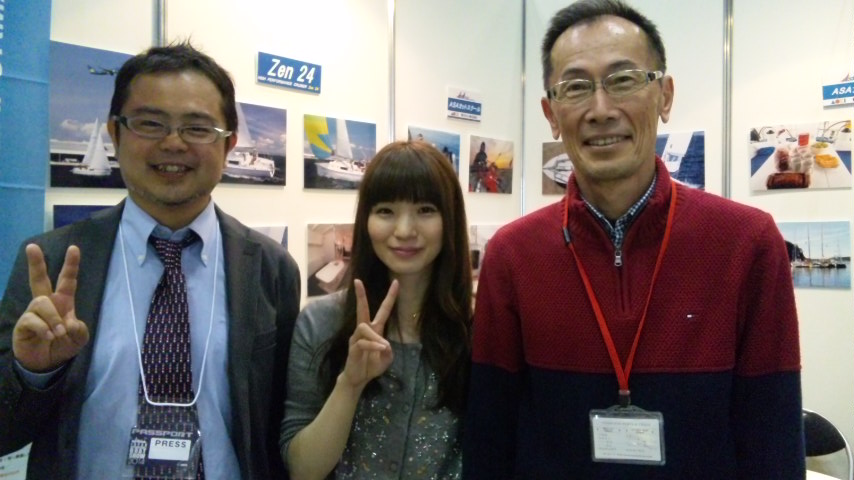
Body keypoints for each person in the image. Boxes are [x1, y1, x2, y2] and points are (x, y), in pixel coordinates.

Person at [463, 1, 804, 478]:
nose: (601, 110)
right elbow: (489, 442)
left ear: (664, 96)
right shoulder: (513, 255)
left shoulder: (746, 243)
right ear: (551, 113)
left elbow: (773, 441)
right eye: (576, 87)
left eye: (623, 80)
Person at [0, 42, 300, 480]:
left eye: (197, 128)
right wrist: (33, 373)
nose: (173, 143)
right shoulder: (52, 262)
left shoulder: (271, 268)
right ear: (115, 133)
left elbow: (281, 424)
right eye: (150, 123)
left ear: (229, 145)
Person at [280, 140, 472, 479]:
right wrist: (350, 384)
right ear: (366, 220)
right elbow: (302, 469)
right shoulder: (322, 322)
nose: (404, 231)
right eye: (385, 211)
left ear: (450, 220)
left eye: (426, 210)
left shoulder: (476, 329)